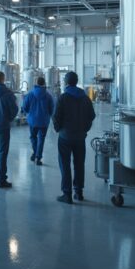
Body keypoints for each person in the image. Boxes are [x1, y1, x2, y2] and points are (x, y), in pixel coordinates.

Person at [52, 71, 96, 204]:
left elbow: (56, 116)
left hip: (65, 137)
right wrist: (84, 129)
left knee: (65, 165)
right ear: (76, 81)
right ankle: (79, 192)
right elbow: (92, 116)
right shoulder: (85, 97)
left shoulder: (63, 97)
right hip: (80, 137)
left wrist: (58, 129)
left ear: (66, 82)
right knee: (79, 164)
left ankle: (67, 194)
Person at [21, 76, 55, 166]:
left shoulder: (30, 94)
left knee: (33, 137)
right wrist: (49, 115)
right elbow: (52, 109)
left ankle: (35, 153)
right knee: (41, 139)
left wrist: (28, 113)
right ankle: (38, 157)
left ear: (36, 83)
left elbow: (25, 108)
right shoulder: (48, 96)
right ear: (44, 83)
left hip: (32, 121)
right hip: (44, 121)